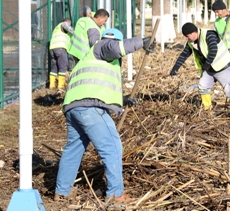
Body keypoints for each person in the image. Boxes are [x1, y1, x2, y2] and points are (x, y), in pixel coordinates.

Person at [54, 28, 156, 202]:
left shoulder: (91, 59)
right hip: (90, 108)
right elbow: (114, 47)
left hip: (74, 107)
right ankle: (116, 194)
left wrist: (122, 100)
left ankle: (62, 191)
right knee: (112, 147)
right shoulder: (103, 46)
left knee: (74, 149)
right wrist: (142, 42)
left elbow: (96, 85)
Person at [169, 23, 230, 114]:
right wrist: (175, 68)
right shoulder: (191, 42)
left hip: (223, 67)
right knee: (203, 87)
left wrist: (206, 64)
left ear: (194, 33)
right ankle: (208, 112)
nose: (186, 38)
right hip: (209, 68)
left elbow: (213, 50)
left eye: (187, 36)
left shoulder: (209, 35)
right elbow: (184, 55)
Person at [49, 18, 74, 90]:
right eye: (70, 24)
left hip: (52, 49)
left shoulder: (56, 28)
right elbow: (65, 25)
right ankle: (61, 86)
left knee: (54, 67)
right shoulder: (63, 24)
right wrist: (74, 32)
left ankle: (52, 86)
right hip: (60, 48)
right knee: (62, 67)